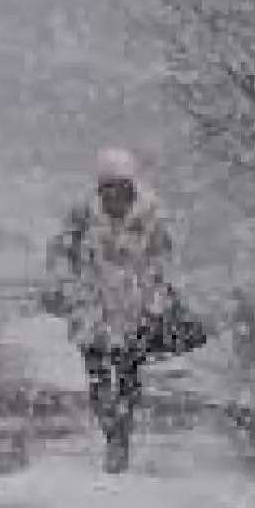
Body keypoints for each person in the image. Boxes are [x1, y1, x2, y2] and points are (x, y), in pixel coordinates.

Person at [43, 147, 203, 473]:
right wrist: (66, 288)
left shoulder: (152, 217)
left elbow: (166, 260)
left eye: (121, 186)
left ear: (132, 186)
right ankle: (111, 432)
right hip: (91, 308)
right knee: (98, 375)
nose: (114, 194)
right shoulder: (81, 215)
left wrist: (158, 297)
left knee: (128, 374)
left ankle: (122, 434)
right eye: (108, 187)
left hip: (135, 308)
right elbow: (60, 254)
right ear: (100, 187)